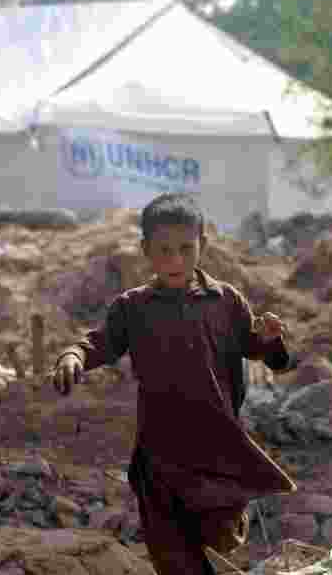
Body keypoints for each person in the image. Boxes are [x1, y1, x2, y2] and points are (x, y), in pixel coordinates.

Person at [51, 193, 298, 575]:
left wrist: (269, 340)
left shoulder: (225, 301)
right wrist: (74, 357)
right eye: (163, 250)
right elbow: (100, 342)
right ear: (145, 250)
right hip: (159, 456)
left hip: (217, 448)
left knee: (222, 534)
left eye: (186, 249)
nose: (175, 260)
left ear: (203, 246)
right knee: (174, 558)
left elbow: (269, 356)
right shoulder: (133, 308)